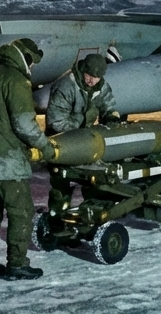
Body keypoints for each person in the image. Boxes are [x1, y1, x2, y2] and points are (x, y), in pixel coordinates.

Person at [0, 38, 54, 281]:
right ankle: (17, 264)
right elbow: (25, 124)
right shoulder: (16, 81)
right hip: (5, 162)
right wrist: (45, 147)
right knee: (21, 211)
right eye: (32, 62)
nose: (33, 67)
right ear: (24, 57)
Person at [44, 53, 118, 217]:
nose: (92, 81)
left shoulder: (100, 87)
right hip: (61, 142)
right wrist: (82, 133)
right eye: (90, 75)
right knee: (60, 187)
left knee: (93, 182)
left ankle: (90, 216)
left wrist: (112, 117)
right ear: (82, 70)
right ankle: (57, 220)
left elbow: (109, 104)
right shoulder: (66, 87)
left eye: (97, 77)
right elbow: (56, 122)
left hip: (85, 143)